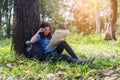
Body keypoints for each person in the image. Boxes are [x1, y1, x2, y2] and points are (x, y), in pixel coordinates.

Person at [30, 22, 95, 65]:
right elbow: (32, 41)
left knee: (63, 42)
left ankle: (76, 59)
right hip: (48, 55)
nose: (47, 31)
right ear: (42, 29)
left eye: (48, 30)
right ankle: (82, 62)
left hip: (54, 51)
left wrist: (61, 39)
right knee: (65, 57)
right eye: (45, 29)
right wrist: (39, 31)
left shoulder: (49, 36)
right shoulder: (40, 36)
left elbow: (54, 43)